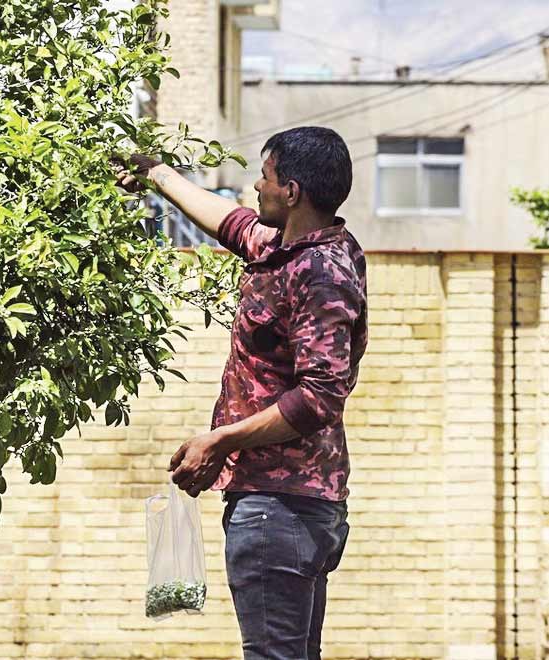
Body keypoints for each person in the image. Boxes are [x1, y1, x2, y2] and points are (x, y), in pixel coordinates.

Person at [116, 126, 368, 660]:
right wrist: (156, 172)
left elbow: (320, 396)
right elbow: (229, 221)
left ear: (291, 191)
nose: (256, 186)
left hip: (283, 508)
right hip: (287, 506)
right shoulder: (287, 247)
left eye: (265, 176)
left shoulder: (319, 272)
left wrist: (222, 440)